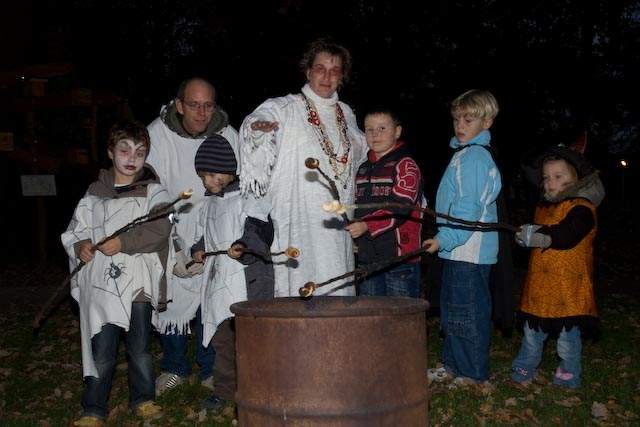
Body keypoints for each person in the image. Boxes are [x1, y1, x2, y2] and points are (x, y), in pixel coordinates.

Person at [61, 120, 171, 425]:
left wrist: (124, 242)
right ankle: (94, 408)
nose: (132, 158)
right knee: (102, 349)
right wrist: (82, 246)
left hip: (138, 285)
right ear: (110, 152)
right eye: (124, 150)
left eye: (140, 152)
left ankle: (144, 399)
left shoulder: (154, 192)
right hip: (103, 288)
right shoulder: (95, 193)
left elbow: (160, 229)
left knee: (139, 348)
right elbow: (76, 230)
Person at [239, 38, 367, 297]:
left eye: (335, 71)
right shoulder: (286, 107)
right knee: (300, 287)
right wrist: (259, 130)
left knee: (337, 287)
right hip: (298, 218)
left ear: (342, 77)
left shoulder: (346, 113)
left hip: (337, 223)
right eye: (320, 69)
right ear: (308, 72)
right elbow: (259, 120)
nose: (327, 76)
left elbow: (362, 153)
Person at [146, 77, 240, 394]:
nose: (202, 113)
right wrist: (172, 243)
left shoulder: (228, 135)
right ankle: (175, 366)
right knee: (172, 300)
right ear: (179, 105)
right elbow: (150, 189)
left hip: (214, 228)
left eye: (208, 105)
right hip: (171, 227)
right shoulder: (157, 136)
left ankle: (210, 366)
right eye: (194, 105)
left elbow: (242, 179)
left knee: (210, 300)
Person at [187, 135, 275, 412]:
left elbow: (260, 233)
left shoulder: (248, 199)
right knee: (223, 340)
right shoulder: (210, 203)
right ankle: (225, 390)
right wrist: (199, 250)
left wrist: (244, 247)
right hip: (219, 285)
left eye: (215, 175)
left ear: (230, 171)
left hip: (248, 285)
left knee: (250, 341)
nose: (209, 181)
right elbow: (209, 234)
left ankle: (257, 390)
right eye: (204, 176)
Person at [423, 89, 501, 384]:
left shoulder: (476, 158)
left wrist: (444, 238)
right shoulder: (464, 154)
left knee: (467, 313)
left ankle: (472, 373)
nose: (460, 125)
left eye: (469, 120)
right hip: (457, 249)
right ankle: (452, 365)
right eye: (457, 119)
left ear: (487, 122)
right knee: (453, 311)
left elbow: (468, 210)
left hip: (469, 250)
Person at [511, 145, 604, 389]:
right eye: (546, 177)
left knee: (567, 337)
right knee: (532, 333)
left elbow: (567, 234)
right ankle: (525, 365)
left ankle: (568, 373)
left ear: (576, 177)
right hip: (539, 287)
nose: (550, 182)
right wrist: (524, 236)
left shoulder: (582, 208)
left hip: (568, 288)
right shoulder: (543, 208)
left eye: (558, 176)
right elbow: (538, 235)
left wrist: (541, 236)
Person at [346, 108, 424, 297]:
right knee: (371, 312)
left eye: (382, 128)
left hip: (399, 260)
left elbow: (401, 207)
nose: (375, 134)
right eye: (369, 129)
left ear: (397, 131)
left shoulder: (406, 166)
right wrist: (357, 239)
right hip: (368, 259)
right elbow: (357, 208)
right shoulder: (362, 169)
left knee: (400, 313)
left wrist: (367, 225)